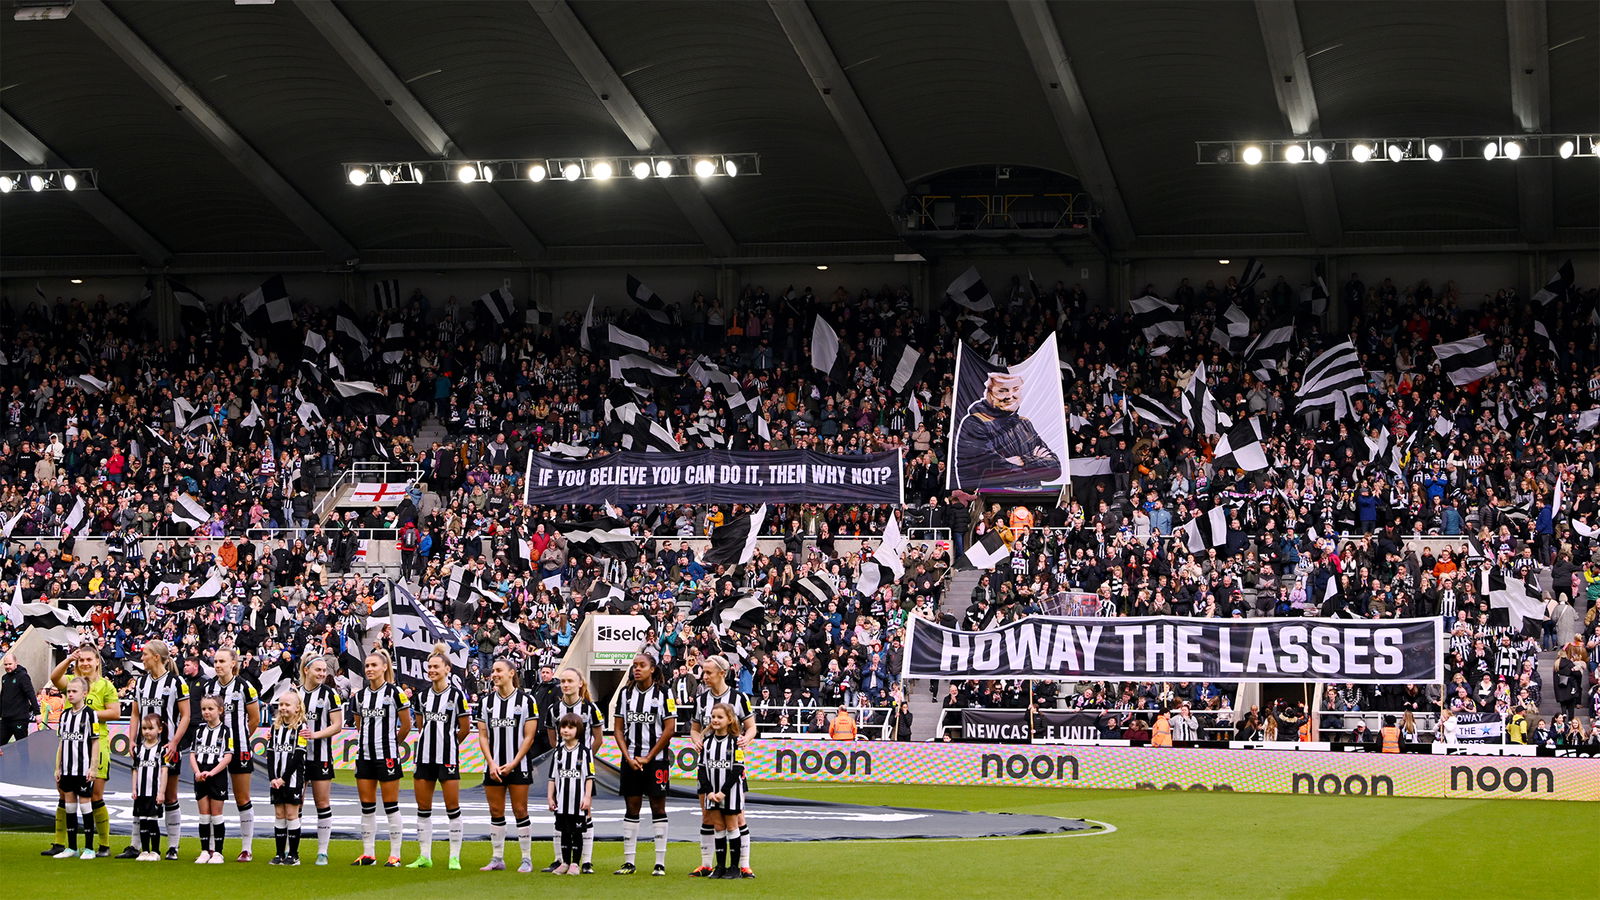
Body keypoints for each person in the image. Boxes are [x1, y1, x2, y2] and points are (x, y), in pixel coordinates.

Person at [118, 639, 190, 860]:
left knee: (169, 796)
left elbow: (186, 715)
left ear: (156, 657)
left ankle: (173, 846)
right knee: (140, 794)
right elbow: (135, 714)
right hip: (144, 747)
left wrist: (175, 742)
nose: (142, 658)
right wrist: (132, 740)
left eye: (145, 655)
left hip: (167, 746)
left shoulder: (176, 682)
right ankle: (135, 844)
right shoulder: (140, 683)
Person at [46, 645, 120, 858]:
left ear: (97, 661)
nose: (85, 664)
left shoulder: (106, 686)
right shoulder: (72, 682)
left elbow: (115, 712)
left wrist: (87, 715)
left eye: (89, 659)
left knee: (95, 795)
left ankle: (103, 844)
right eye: (82, 660)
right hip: (71, 747)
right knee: (64, 792)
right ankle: (61, 842)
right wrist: (69, 659)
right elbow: (54, 677)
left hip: (97, 744)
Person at [688, 655, 756, 879]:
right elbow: (695, 728)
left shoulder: (739, 698)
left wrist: (747, 739)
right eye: (703, 672)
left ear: (722, 673)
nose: (704, 676)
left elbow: (751, 727)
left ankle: (743, 865)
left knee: (737, 817)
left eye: (708, 672)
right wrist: (696, 739)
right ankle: (707, 864)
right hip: (709, 766)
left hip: (731, 766)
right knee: (708, 815)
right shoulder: (701, 700)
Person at [612, 652, 676, 876]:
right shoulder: (625, 694)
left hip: (656, 761)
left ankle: (660, 862)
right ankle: (629, 862)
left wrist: (648, 757)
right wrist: (628, 757)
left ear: (652, 669)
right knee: (632, 808)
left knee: (658, 808)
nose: (636, 669)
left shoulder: (664, 693)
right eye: (634, 666)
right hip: (630, 760)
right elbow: (618, 728)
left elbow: (670, 728)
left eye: (641, 665)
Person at [408, 643, 471, 870]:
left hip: (448, 757)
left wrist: (450, 745)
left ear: (447, 669)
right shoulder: (422, 696)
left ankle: (454, 857)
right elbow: (420, 725)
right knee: (423, 808)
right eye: (429, 667)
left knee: (452, 807)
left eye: (436, 666)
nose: (432, 670)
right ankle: (425, 856)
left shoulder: (456, 696)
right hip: (423, 758)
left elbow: (464, 728)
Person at [476, 656, 539, 873]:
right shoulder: (486, 702)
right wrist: (491, 763)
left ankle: (526, 858)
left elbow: (529, 737)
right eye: (493, 670)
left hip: (518, 765)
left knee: (520, 809)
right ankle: (497, 858)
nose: (494, 674)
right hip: (493, 766)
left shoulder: (527, 701)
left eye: (499, 670)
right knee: (495, 810)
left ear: (511, 673)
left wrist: (513, 763)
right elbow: (483, 736)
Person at [349, 649, 412, 866]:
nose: (369, 669)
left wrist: (392, 744)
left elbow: (406, 725)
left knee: (391, 805)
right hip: (364, 756)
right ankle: (368, 854)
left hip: (387, 756)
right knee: (367, 806)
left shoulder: (395, 693)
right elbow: (359, 725)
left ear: (385, 667)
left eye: (374, 665)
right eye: (367, 666)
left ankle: (395, 855)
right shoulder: (358, 697)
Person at [540, 666, 605, 874]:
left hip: (582, 770)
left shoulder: (590, 708)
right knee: (560, 811)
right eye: (563, 682)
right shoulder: (553, 710)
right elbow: (552, 738)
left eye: (570, 681)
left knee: (584, 812)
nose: (566, 685)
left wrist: (584, 756)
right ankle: (560, 859)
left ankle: (585, 860)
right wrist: (563, 754)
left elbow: (599, 739)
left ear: (579, 684)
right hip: (562, 768)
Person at [953, 372, 1062, 490]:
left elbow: (1055, 468)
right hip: (993, 497)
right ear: (988, 393)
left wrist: (1023, 460)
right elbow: (990, 469)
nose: (1010, 396)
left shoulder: (1024, 423)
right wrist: (1036, 463)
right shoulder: (974, 424)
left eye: (1015, 389)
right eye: (1002, 391)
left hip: (1033, 496)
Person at [203, 647, 261, 862]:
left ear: (233, 664)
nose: (218, 665)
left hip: (240, 749)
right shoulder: (209, 687)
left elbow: (254, 719)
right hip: (213, 752)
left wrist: (241, 739)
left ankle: (246, 848)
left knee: (242, 798)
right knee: (213, 798)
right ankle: (211, 846)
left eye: (222, 661)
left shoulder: (244, 686)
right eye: (215, 661)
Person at [295, 654, 344, 865]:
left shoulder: (330, 694)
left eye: (325, 671)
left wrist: (315, 735)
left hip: (321, 756)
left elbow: (337, 725)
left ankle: (322, 851)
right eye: (318, 670)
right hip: (297, 756)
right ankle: (291, 850)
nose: (322, 674)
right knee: (295, 803)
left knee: (322, 802)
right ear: (306, 670)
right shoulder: (294, 693)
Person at [698, 703, 748, 879]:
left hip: (730, 794)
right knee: (718, 828)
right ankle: (719, 866)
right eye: (713, 717)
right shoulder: (707, 742)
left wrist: (723, 792)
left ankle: (734, 867)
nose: (715, 720)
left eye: (720, 717)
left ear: (729, 719)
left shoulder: (737, 742)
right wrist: (709, 792)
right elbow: (702, 769)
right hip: (712, 794)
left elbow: (737, 769)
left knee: (732, 827)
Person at [53, 676, 100, 860]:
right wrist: (57, 767)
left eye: (74, 692)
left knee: (85, 806)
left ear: (84, 693)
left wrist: (93, 767)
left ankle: (89, 848)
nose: (70, 694)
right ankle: (72, 847)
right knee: (69, 806)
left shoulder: (90, 714)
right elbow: (61, 744)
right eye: (68, 691)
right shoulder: (64, 716)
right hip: (67, 770)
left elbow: (95, 742)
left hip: (83, 770)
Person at [546, 713, 595, 876]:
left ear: (579, 730)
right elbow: (553, 777)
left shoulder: (585, 752)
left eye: (570, 727)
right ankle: (565, 862)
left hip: (578, 803)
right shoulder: (558, 752)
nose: (566, 730)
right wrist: (550, 797)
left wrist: (587, 797)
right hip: (562, 802)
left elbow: (589, 777)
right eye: (563, 727)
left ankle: (575, 863)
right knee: (564, 833)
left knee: (577, 833)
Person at [189, 695, 234, 863]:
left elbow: (228, 756)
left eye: (210, 709)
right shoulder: (199, 730)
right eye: (203, 709)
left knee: (216, 814)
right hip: (200, 775)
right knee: (204, 815)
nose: (206, 712)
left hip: (217, 775)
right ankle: (204, 850)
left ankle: (218, 852)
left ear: (220, 711)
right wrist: (197, 772)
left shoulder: (226, 731)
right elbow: (192, 754)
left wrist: (213, 772)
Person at [265, 692, 307, 866]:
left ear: (297, 708)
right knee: (279, 814)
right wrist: (272, 778)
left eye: (287, 705)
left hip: (292, 779)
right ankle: (279, 853)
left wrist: (283, 778)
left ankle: (294, 855)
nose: (283, 708)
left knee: (291, 814)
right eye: (281, 704)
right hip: (276, 779)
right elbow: (269, 754)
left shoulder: (301, 728)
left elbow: (298, 756)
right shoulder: (274, 729)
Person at [130, 714, 168, 861]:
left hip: (154, 792)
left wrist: (161, 792)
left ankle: (156, 851)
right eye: (144, 728)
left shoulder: (162, 750)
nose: (147, 732)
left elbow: (164, 772)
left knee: (153, 822)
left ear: (159, 729)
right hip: (141, 793)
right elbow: (135, 770)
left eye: (151, 728)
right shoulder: (139, 749)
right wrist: (134, 789)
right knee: (143, 821)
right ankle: (144, 850)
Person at [1, 653, 37, 747]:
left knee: (22, 748)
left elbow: (31, 694)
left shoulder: (23, 676)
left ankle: (25, 762)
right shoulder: (4, 678)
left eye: (10, 664)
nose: (8, 666)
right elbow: (3, 696)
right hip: (5, 719)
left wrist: (37, 713)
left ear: (16, 663)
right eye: (6, 664)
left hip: (19, 719)